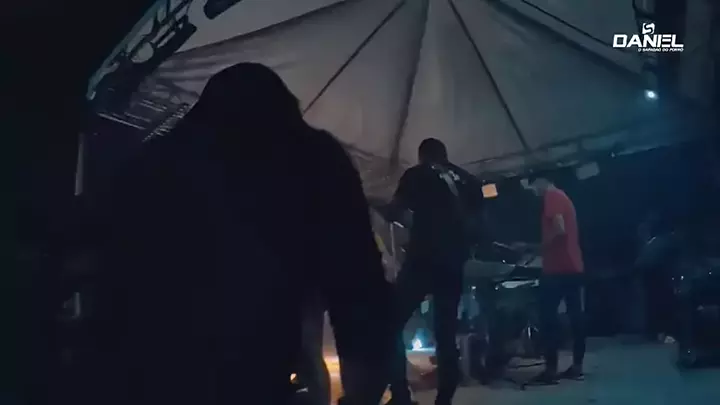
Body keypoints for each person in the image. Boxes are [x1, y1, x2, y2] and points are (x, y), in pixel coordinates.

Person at [78, 63, 392, 405]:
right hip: (249, 372)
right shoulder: (311, 158)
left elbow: (108, 272)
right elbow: (356, 283)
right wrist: (363, 390)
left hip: (145, 372)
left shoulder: (156, 162)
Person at [376, 138, 484, 405]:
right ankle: (444, 400)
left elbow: (396, 212)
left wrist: (375, 203)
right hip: (453, 263)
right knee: (445, 333)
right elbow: (477, 221)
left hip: (423, 259)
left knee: (389, 324)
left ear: (422, 155)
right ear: (444, 155)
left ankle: (401, 396)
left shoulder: (417, 174)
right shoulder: (468, 180)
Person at [525, 170, 586, 384]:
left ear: (542, 180)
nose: (534, 192)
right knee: (576, 316)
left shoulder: (552, 196)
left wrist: (537, 248)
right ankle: (577, 367)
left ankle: (550, 371)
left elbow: (559, 229)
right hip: (573, 265)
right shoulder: (565, 197)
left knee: (547, 318)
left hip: (557, 268)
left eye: (533, 186)